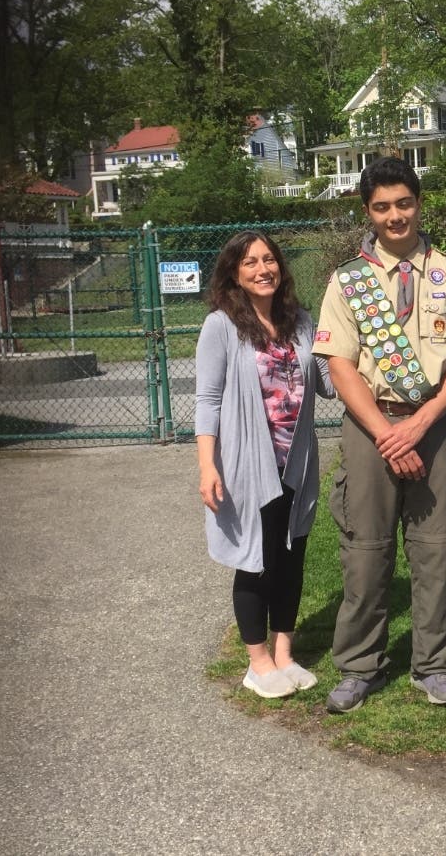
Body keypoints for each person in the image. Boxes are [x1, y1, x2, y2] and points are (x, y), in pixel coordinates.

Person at [312, 157, 446, 713]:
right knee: (365, 549)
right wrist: (388, 434)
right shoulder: (347, 280)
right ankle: (360, 666)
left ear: (418, 203)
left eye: (404, 203)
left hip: (434, 422)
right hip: (369, 425)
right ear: (368, 212)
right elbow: (339, 365)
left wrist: (423, 424)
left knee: (435, 551)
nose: (395, 215)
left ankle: (434, 666)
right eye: (382, 207)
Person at [195, 230, 335, 699]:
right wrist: (207, 466)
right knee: (256, 561)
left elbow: (329, 383)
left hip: (296, 460)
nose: (263, 269)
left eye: (269, 259)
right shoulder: (221, 326)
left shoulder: (300, 322)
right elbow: (208, 399)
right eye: (251, 261)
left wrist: (347, 329)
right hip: (247, 464)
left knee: (292, 554)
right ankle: (257, 663)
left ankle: (284, 654)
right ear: (235, 272)